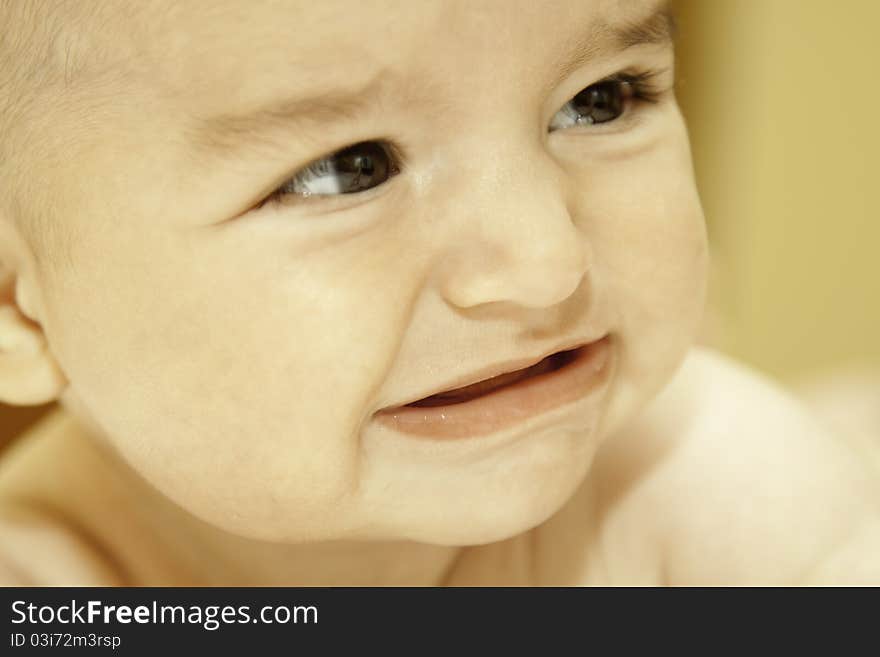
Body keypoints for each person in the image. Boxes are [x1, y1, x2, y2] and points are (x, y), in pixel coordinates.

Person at [0, 0, 877, 586]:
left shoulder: (706, 489)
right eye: (348, 170)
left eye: (599, 100)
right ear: (17, 304)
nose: (547, 261)